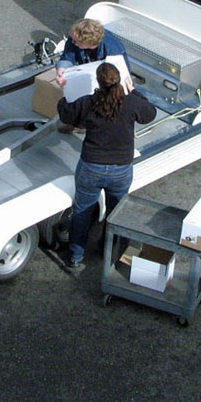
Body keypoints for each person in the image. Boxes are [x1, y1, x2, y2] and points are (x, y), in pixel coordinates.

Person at [57, 62, 156, 269]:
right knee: (115, 212)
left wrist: (63, 89)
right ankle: (109, 251)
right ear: (119, 80)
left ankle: (75, 256)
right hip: (121, 169)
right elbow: (150, 114)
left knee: (83, 211)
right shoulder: (131, 103)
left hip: (91, 167)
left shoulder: (88, 102)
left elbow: (65, 113)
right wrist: (135, 92)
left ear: (99, 83)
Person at [55, 18, 129, 88]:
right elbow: (67, 57)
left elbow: (120, 75)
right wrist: (62, 69)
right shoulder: (74, 38)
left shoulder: (113, 48)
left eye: (75, 41)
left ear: (88, 43)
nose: (72, 42)